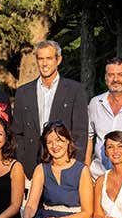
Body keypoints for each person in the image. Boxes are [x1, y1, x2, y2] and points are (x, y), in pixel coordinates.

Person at [13, 41, 89, 176]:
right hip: (30, 167)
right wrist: (22, 162)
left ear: (58, 60)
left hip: (63, 166)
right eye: (40, 59)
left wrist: (74, 168)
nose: (44, 63)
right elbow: (17, 133)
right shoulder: (23, 92)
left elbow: (80, 133)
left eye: (49, 58)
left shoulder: (75, 90)